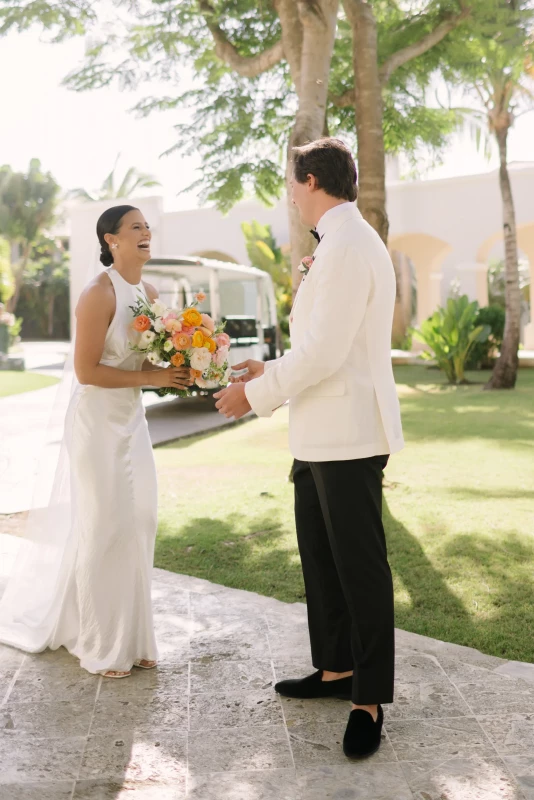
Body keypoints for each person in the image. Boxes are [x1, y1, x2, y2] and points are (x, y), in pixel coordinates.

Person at [214, 138, 404, 759]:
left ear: (314, 179)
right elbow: (319, 344)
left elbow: (325, 354)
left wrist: (257, 395)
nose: (290, 196)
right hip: (320, 433)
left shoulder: (348, 244)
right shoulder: (336, 243)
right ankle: (335, 670)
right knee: (322, 562)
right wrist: (260, 369)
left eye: (292, 184)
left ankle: (369, 699)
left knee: (360, 569)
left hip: (349, 434)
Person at [0, 205, 192, 678]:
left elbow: (150, 358)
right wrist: (154, 374)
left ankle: (136, 637)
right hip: (97, 425)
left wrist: (181, 368)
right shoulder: (97, 293)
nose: (146, 232)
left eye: (147, 226)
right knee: (105, 527)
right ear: (111, 240)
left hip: (131, 421)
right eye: (135, 228)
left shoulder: (148, 291)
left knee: (141, 520)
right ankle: (101, 644)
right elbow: (86, 372)